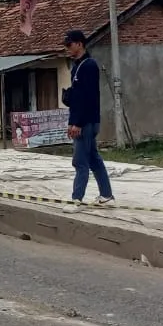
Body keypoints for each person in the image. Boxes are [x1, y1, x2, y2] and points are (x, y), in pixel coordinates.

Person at [62, 29, 114, 205]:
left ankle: (77, 198)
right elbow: (76, 98)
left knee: (80, 161)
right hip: (80, 120)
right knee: (93, 159)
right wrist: (71, 122)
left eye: (69, 45)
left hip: (87, 122)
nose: (67, 48)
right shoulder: (77, 66)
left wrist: (78, 123)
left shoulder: (89, 66)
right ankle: (106, 195)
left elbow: (88, 97)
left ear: (79, 44)